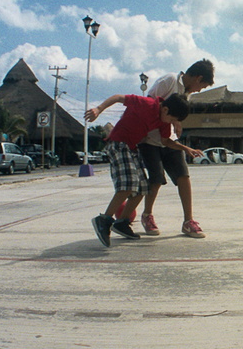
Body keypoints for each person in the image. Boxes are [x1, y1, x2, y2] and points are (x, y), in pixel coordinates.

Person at [86, 93, 197, 247]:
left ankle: (122, 222)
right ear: (165, 109)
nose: (171, 123)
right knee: (129, 184)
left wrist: (185, 148)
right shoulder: (145, 103)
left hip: (131, 148)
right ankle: (104, 219)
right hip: (118, 143)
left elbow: (165, 141)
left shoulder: (163, 121)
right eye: (172, 120)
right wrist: (98, 109)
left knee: (143, 188)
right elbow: (118, 97)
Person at [138, 59, 214, 238]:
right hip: (150, 138)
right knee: (156, 179)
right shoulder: (170, 80)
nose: (199, 90)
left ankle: (188, 221)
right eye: (201, 87)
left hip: (169, 139)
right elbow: (149, 102)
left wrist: (177, 121)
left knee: (183, 176)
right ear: (198, 78)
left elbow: (176, 112)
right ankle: (147, 215)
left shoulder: (187, 93)